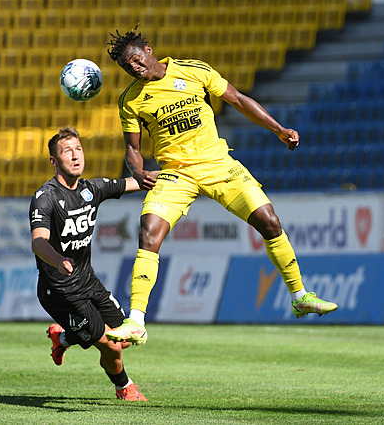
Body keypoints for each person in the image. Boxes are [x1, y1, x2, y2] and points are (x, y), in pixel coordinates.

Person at [104, 28, 338, 345]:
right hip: (175, 173)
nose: (133, 67)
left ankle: (299, 296)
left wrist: (279, 129)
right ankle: (136, 322)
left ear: (148, 50)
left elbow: (238, 99)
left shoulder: (193, 70)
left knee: (269, 221)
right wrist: (139, 169)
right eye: (126, 66)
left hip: (218, 164)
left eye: (135, 59)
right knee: (148, 232)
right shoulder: (130, 100)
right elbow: (132, 147)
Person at [29, 126, 155, 401]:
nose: (75, 156)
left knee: (125, 337)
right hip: (60, 292)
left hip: (88, 282)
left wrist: (177, 178)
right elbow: (38, 242)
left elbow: (138, 182)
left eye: (78, 149)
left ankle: (63, 338)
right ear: (54, 161)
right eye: (67, 151)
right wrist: (58, 259)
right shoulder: (46, 197)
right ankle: (125, 388)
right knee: (112, 347)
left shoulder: (91, 189)